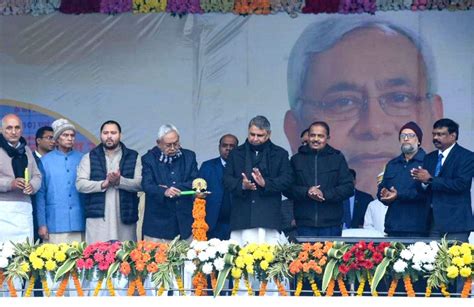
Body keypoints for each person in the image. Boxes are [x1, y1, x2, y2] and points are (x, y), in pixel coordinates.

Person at [284, 18, 443, 197]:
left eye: (399, 98)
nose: (374, 127)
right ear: (295, 131)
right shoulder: (284, 216)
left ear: (436, 117)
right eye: (343, 102)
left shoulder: (457, 213)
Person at [223, 115, 292, 245]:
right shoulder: (236, 153)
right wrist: (242, 185)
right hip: (242, 217)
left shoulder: (280, 154)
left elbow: (287, 180)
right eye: (252, 134)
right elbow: (226, 180)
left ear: (268, 134)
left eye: (259, 135)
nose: (255, 139)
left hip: (268, 218)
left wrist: (266, 183)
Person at [76, 120, 142, 243]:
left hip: (125, 218)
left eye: (113, 132)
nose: (109, 136)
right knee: (97, 257)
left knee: (126, 257)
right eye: (106, 133)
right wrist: (103, 184)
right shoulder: (89, 157)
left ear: (120, 135)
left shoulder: (133, 156)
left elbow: (140, 183)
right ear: (100, 135)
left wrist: (119, 181)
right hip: (98, 219)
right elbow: (80, 185)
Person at [412, 118, 474, 242]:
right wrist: (422, 181)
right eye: (434, 134)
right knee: (431, 260)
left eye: (440, 134)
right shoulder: (429, 157)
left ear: (453, 136)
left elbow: (461, 184)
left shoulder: (467, 157)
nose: (435, 138)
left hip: (456, 223)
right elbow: (423, 189)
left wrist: (430, 179)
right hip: (432, 222)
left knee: (455, 260)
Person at [289, 121, 354, 237]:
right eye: (313, 135)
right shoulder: (296, 159)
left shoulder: (337, 158)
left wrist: (324, 194)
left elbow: (348, 187)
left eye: (320, 136)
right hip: (304, 224)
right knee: (306, 256)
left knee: (331, 255)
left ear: (328, 138)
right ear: (308, 137)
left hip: (331, 224)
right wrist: (307, 192)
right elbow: (288, 188)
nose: (316, 139)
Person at [141, 124, 198, 242]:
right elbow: (147, 185)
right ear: (158, 143)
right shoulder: (148, 159)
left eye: (176, 143)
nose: (173, 148)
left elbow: (194, 181)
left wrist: (172, 188)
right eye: (168, 145)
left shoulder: (189, 156)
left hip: (185, 223)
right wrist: (164, 191)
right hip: (157, 224)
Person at [36, 118, 85, 244]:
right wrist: (42, 223)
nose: (70, 138)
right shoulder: (44, 161)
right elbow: (40, 195)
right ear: (57, 139)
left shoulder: (83, 159)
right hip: (55, 222)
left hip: (79, 221)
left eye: (72, 135)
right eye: (65, 135)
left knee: (81, 262)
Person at [378, 121, 429, 237]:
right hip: (393, 226)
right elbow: (382, 187)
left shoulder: (428, 161)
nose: (406, 139)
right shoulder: (392, 164)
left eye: (411, 135)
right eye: (403, 136)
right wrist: (383, 194)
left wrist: (398, 195)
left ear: (419, 140)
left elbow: (427, 192)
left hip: (418, 228)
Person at [0, 114, 42, 243]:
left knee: (25, 253)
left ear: (22, 129)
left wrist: (32, 185)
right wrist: (10, 184)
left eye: (17, 127)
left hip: (24, 206)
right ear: (1, 130)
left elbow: (37, 175)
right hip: (3, 207)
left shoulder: (27, 150)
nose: (13, 132)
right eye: (9, 128)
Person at [198, 134, 238, 240]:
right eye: (225, 145)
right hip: (212, 223)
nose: (228, 149)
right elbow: (196, 192)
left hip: (236, 224)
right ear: (219, 147)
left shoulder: (242, 167)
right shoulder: (207, 166)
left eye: (232, 146)